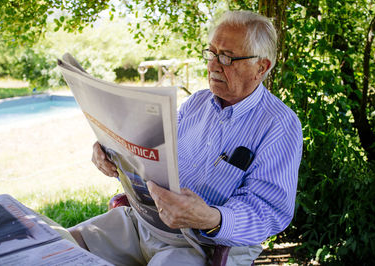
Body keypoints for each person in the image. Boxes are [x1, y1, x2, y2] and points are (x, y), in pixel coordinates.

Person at [69, 10, 303, 266]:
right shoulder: (195, 103)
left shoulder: (279, 125)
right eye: (211, 53)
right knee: (62, 248)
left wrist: (212, 218)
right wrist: (110, 151)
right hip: (143, 222)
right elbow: (151, 153)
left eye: (226, 57)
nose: (213, 64)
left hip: (202, 245)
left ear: (261, 67)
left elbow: (269, 211)